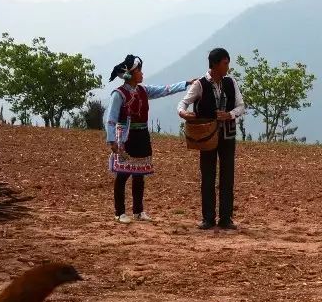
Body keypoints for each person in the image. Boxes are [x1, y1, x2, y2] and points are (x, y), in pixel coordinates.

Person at [105, 55, 192, 224]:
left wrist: (186, 84)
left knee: (139, 174)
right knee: (123, 174)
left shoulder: (143, 90)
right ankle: (119, 212)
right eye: (139, 71)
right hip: (126, 137)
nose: (142, 73)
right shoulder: (119, 94)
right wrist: (112, 141)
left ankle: (138, 211)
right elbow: (111, 118)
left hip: (142, 135)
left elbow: (165, 89)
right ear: (130, 74)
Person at [178, 47, 246, 230]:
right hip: (207, 136)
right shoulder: (200, 84)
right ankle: (208, 218)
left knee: (227, 177)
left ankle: (226, 218)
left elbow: (241, 106)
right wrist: (183, 113)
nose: (228, 67)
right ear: (215, 64)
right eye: (225, 63)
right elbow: (183, 102)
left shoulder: (231, 82)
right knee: (208, 177)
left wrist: (229, 115)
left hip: (227, 135)